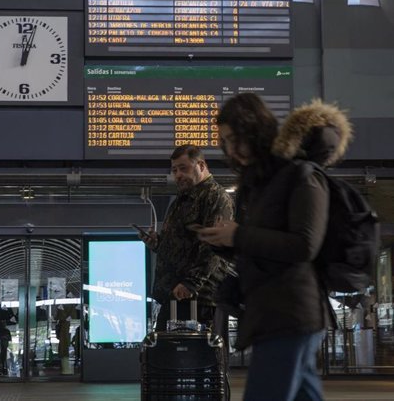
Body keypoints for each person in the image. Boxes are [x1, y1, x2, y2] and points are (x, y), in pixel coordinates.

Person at [197, 93, 333, 401]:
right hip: (273, 313)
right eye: (225, 141)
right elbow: (262, 247)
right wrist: (225, 242)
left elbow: (304, 245)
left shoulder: (301, 174)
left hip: (290, 314)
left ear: (255, 130)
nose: (231, 149)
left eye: (236, 138)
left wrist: (239, 236)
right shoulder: (258, 183)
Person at [140, 144, 234, 333]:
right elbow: (182, 246)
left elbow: (214, 245)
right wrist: (157, 243)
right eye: (174, 170)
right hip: (176, 293)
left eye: (183, 168)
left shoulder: (215, 197)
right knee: (167, 356)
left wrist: (191, 283)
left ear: (201, 165)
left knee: (199, 357)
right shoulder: (182, 199)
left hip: (199, 297)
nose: (178, 175)